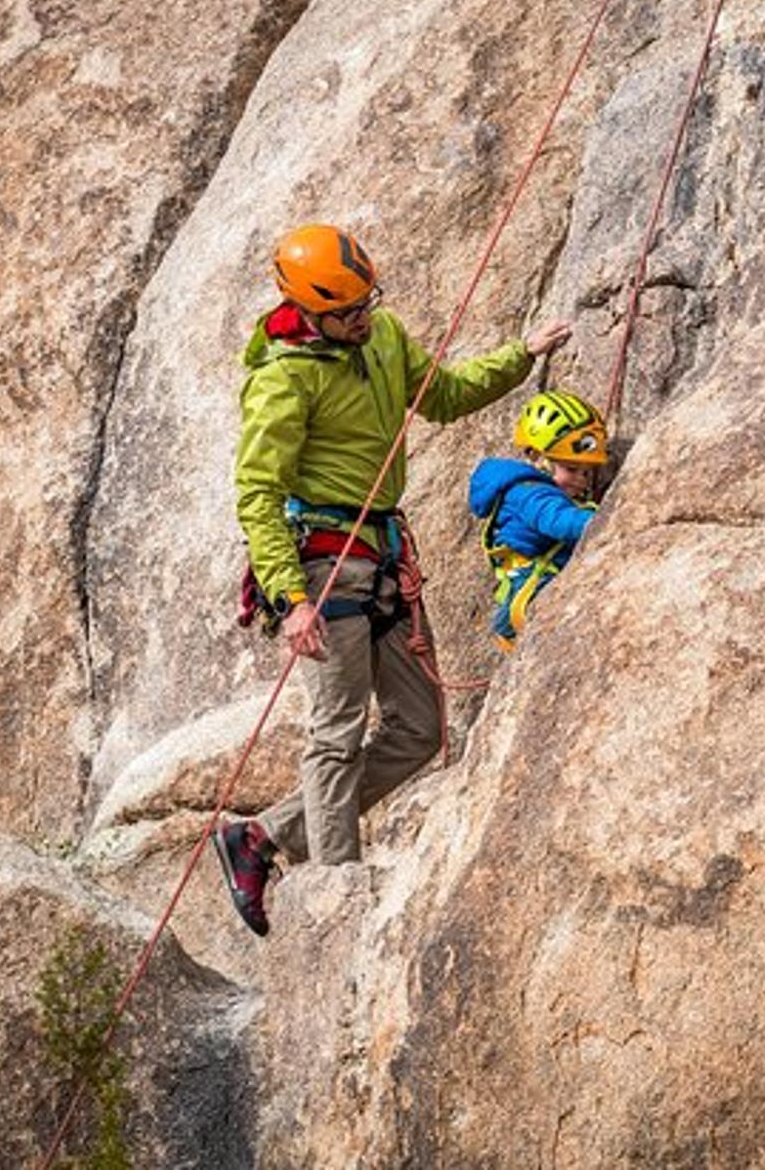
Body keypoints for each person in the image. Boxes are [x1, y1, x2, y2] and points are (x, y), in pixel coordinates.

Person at [213, 223, 570, 937]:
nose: (363, 318)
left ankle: (265, 836)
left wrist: (521, 356)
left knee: (421, 728)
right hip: (324, 559)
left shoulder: (382, 338)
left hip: (380, 549)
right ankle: (337, 896)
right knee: (337, 731)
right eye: (347, 312)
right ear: (308, 312)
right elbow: (257, 492)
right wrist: (290, 598)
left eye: (366, 303)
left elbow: (442, 394)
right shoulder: (283, 378)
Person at [466, 391, 606, 649]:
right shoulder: (531, 493)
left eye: (587, 472)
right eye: (571, 469)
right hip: (531, 584)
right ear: (536, 457)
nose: (581, 480)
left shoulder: (534, 489)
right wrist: (606, 519)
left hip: (533, 577)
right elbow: (557, 521)